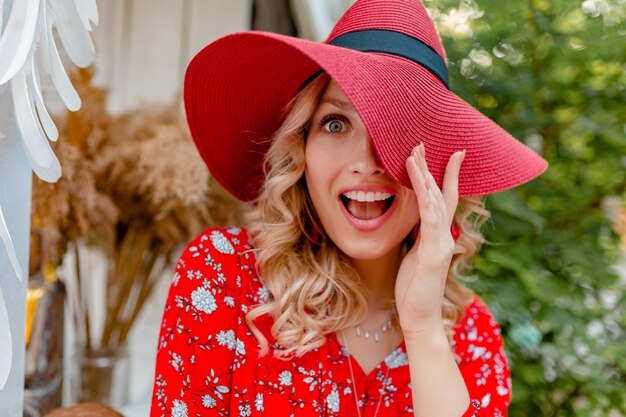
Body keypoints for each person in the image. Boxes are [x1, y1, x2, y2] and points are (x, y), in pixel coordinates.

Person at [150, 0, 547, 416]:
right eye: (336, 124)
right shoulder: (225, 277)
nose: (367, 161)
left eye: (399, 128)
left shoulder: (470, 335)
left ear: (440, 166)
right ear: (301, 150)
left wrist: (423, 329)